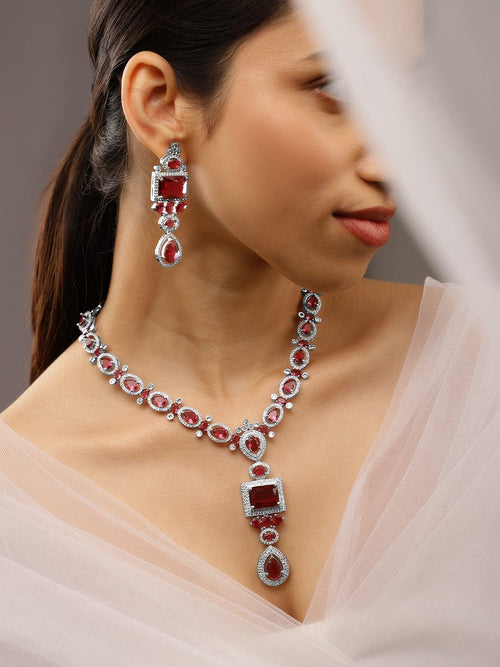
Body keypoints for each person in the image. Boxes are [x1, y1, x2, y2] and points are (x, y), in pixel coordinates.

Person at [1, 1, 498, 664]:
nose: (394, 161)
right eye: (338, 87)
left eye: (398, 94)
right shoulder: (19, 518)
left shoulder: (479, 372)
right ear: (159, 103)